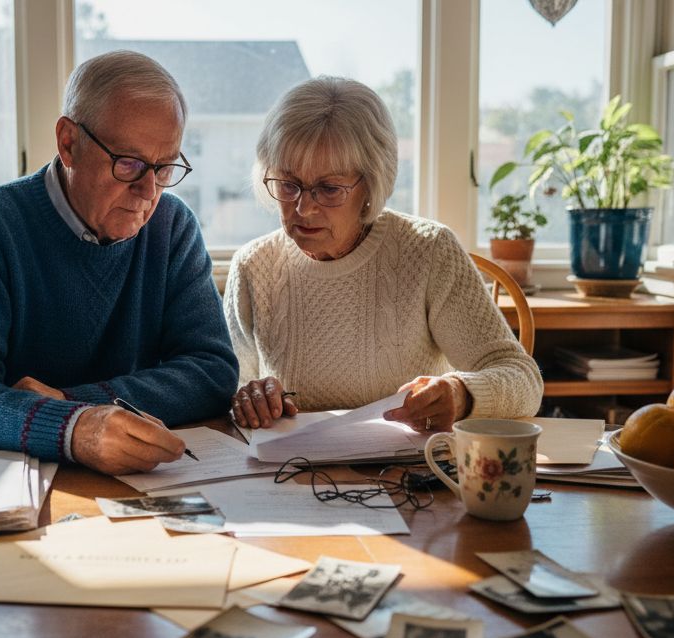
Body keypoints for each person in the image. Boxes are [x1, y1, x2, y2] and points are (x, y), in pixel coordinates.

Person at [0, 51, 238, 475]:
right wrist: (72, 429)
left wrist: (74, 404)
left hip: (123, 474)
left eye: (164, 167)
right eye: (129, 164)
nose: (148, 191)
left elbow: (211, 371)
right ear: (68, 143)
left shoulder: (172, 227)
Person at [224, 76, 542, 431]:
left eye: (329, 188)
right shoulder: (254, 266)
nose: (304, 208)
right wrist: (248, 399)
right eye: (288, 185)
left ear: (371, 184)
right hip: (289, 475)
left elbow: (522, 379)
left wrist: (461, 392)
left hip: (409, 475)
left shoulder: (428, 251)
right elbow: (230, 388)